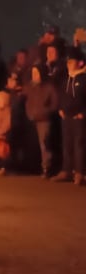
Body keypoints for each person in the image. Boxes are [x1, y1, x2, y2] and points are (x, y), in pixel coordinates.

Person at [51, 49, 86, 185]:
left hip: (80, 118)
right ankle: (66, 170)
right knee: (67, 144)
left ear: (80, 63)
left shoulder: (83, 79)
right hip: (66, 117)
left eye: (71, 62)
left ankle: (79, 173)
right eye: (68, 62)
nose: (68, 64)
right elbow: (62, 95)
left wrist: (83, 113)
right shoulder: (66, 78)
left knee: (79, 145)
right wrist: (60, 108)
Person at [23, 65, 60, 177]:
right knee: (34, 144)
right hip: (31, 119)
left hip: (44, 120)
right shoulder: (30, 87)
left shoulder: (49, 87)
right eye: (33, 72)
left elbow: (55, 104)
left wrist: (45, 112)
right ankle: (33, 167)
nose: (34, 75)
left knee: (44, 144)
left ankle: (46, 168)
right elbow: (25, 100)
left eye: (36, 73)